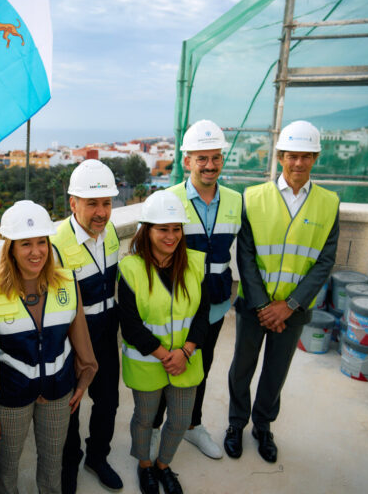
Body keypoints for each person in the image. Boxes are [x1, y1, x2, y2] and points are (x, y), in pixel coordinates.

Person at [224, 120, 339, 463]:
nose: (298, 163)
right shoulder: (254, 197)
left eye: (306, 156)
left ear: (316, 158)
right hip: (253, 306)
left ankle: (263, 425)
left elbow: (324, 261)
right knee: (242, 367)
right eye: (292, 156)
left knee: (276, 371)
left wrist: (288, 305)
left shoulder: (328, 203)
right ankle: (235, 424)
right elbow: (244, 254)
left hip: (294, 310)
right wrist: (263, 305)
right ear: (280, 156)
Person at [0, 200, 98, 494]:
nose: (36, 252)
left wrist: (83, 381)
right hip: (10, 398)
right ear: (11, 249)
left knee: (52, 465)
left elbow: (80, 338)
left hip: (59, 393)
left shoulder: (68, 283)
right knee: (6, 468)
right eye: (25, 244)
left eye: (42, 242)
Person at [150, 120, 241, 460]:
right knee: (165, 367)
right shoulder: (167, 199)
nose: (209, 165)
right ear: (186, 161)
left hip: (215, 305)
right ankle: (157, 428)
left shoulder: (235, 200)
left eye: (215, 157)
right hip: (174, 306)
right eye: (201, 158)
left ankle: (191, 426)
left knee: (199, 367)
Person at [118, 190, 210, 494]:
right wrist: (164, 355)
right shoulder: (130, 269)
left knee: (181, 420)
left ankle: (163, 465)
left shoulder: (195, 264)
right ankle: (145, 465)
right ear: (147, 230)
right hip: (148, 364)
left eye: (176, 228)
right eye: (162, 229)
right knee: (145, 419)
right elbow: (130, 325)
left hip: (186, 360)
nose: (171, 236)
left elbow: (202, 313)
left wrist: (184, 351)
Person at [51, 159, 123, 492]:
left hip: (107, 334)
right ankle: (69, 468)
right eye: (92, 203)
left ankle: (97, 457)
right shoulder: (55, 245)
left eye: (106, 203)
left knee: (108, 402)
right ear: (73, 203)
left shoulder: (108, 236)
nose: (101, 212)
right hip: (71, 342)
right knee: (70, 409)